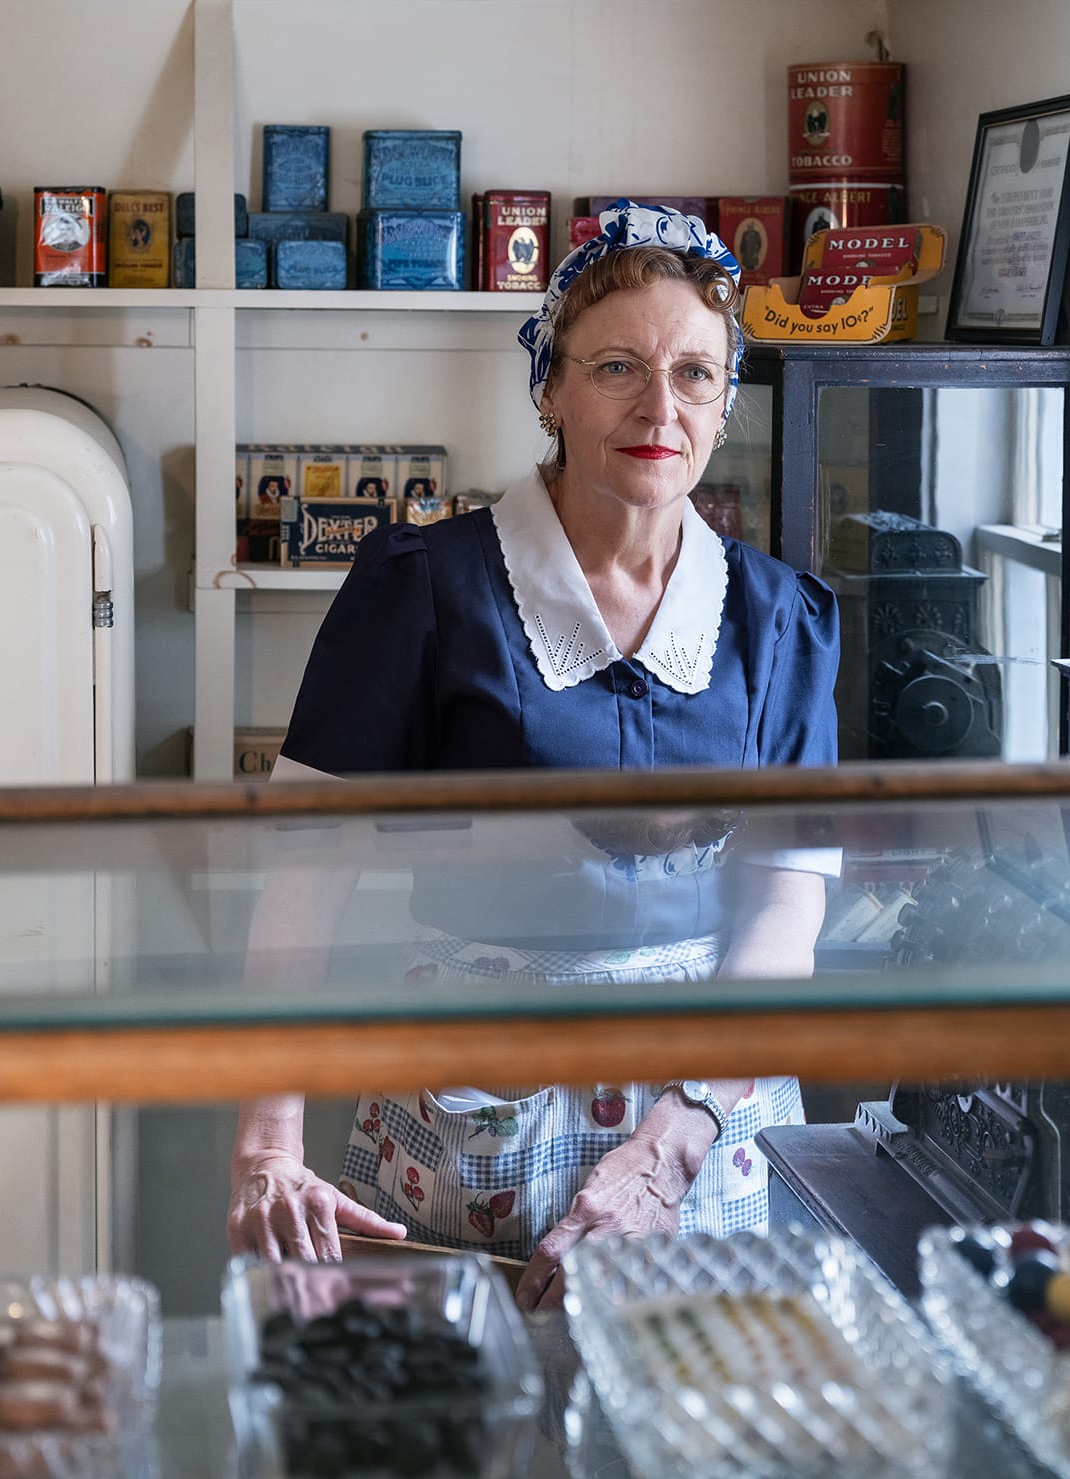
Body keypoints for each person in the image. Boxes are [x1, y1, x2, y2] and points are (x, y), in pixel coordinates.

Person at [227, 200, 840, 1309]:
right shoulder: (421, 587)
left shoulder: (778, 617)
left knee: (703, 1448)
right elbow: (301, 885)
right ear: (550, 388)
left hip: (701, 1122)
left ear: (725, 399)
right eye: (618, 367)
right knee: (458, 1452)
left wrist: (677, 1135)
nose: (661, 407)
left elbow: (787, 910)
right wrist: (269, 1142)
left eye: (696, 375)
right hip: (471, 1125)